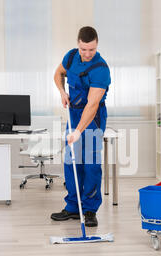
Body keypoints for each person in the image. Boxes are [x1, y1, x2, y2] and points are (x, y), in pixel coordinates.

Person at [51, 26, 111, 227]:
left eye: (91, 50)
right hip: (73, 113)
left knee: (90, 163)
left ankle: (89, 210)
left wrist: (78, 131)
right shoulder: (71, 57)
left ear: (96, 46)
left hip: (92, 118)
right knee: (72, 161)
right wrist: (62, 92)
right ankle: (73, 207)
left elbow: (92, 105)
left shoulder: (100, 69)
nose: (86, 54)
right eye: (83, 49)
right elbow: (58, 74)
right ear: (78, 44)